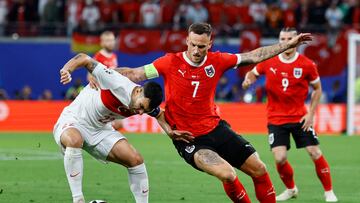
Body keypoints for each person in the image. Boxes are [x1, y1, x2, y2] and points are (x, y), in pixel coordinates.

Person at [96, 23, 312, 203]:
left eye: (202, 46)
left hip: (216, 128)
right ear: (186, 41)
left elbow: (253, 56)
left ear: (210, 44)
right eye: (193, 45)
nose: (197, 51)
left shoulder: (218, 61)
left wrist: (287, 45)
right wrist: (98, 71)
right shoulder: (169, 62)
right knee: (228, 174)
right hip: (189, 138)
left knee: (259, 169)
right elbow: (135, 74)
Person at [242, 27, 338, 202]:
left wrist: (311, 114)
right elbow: (253, 72)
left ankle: (329, 192)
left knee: (314, 152)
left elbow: (317, 89)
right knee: (280, 158)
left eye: (290, 39)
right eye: (283, 39)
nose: (287, 42)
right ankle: (291, 189)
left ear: (297, 41)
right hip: (276, 118)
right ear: (280, 41)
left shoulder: (307, 64)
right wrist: (248, 79)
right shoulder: (269, 61)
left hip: (300, 117)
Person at [55, 53, 166, 203]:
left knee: (136, 159)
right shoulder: (117, 83)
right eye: (141, 107)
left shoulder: (145, 103)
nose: (140, 113)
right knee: (75, 140)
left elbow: (160, 115)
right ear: (138, 90)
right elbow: (84, 58)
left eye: (144, 111)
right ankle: (78, 199)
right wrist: (67, 70)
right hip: (74, 120)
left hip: (100, 130)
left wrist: (172, 132)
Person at [88, 30, 124, 130]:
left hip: (113, 93)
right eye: (108, 40)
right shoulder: (98, 57)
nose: (111, 42)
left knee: (119, 124)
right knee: (114, 124)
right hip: (102, 95)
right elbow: (90, 76)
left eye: (112, 40)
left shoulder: (113, 56)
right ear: (102, 42)